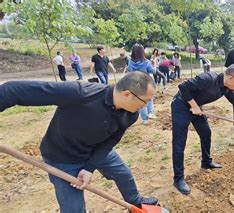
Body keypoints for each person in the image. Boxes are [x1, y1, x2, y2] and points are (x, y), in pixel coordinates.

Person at [0, 72, 159, 212]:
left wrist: (89, 168)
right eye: (145, 101)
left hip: (95, 150)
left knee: (124, 174)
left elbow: (109, 143)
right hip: (62, 159)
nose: (147, 105)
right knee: (73, 209)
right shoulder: (81, 93)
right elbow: (12, 90)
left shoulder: (130, 115)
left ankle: (135, 204)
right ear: (127, 94)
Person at [171, 64, 234, 195]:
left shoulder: (226, 88)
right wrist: (193, 105)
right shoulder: (208, 78)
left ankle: (206, 162)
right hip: (181, 105)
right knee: (179, 143)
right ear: (230, 78)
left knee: (206, 133)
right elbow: (183, 87)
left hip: (197, 108)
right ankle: (179, 179)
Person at [127, 44, 157, 124]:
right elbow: (153, 71)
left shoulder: (130, 61)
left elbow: (129, 70)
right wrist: (154, 64)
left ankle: (144, 119)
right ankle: (151, 112)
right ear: (142, 52)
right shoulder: (146, 62)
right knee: (149, 97)